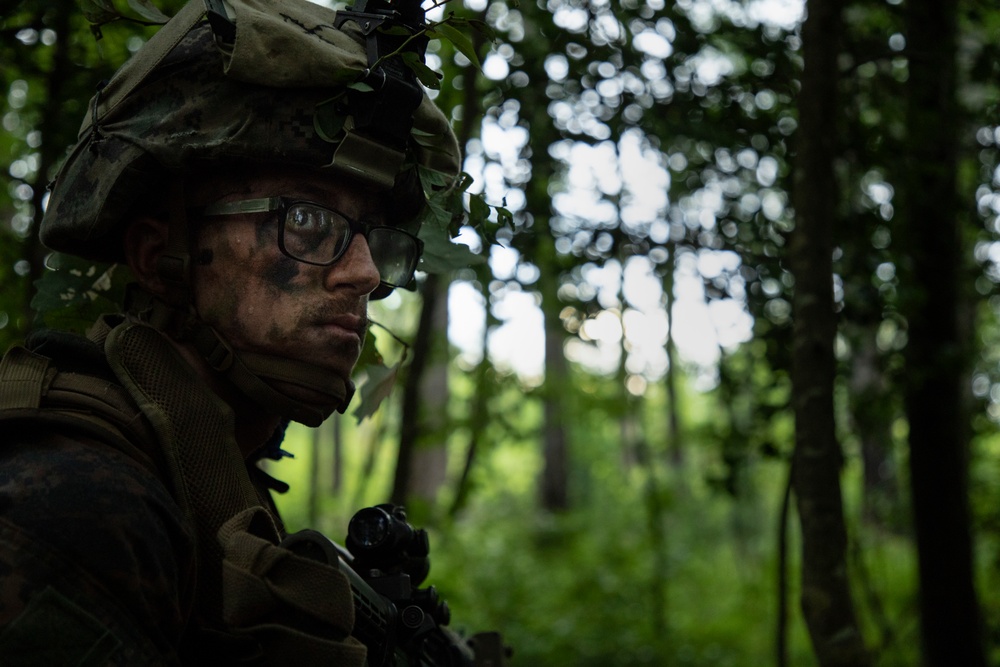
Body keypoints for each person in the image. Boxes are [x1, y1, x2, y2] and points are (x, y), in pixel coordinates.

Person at [0, 0, 461, 663]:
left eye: (374, 239)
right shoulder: (75, 505)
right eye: (306, 221)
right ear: (159, 257)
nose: (363, 273)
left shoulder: (205, 486)